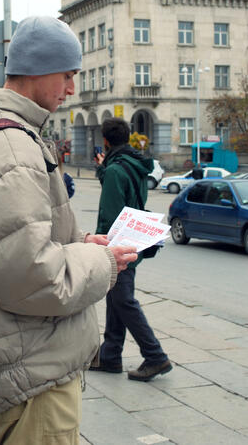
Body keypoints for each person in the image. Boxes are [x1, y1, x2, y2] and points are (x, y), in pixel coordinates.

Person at [0, 17, 137, 444]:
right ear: (39, 69)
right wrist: (102, 259)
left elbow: (21, 245)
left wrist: (78, 243)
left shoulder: (13, 135)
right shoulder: (13, 148)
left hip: (31, 358)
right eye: (68, 76)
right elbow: (29, 275)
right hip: (34, 368)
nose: (71, 89)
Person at [91, 117, 172, 381]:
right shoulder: (133, 164)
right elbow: (124, 193)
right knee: (115, 300)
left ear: (105, 140)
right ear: (127, 137)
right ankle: (110, 356)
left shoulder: (116, 169)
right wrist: (104, 169)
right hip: (134, 241)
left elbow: (111, 213)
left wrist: (103, 247)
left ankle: (155, 356)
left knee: (123, 301)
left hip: (120, 246)